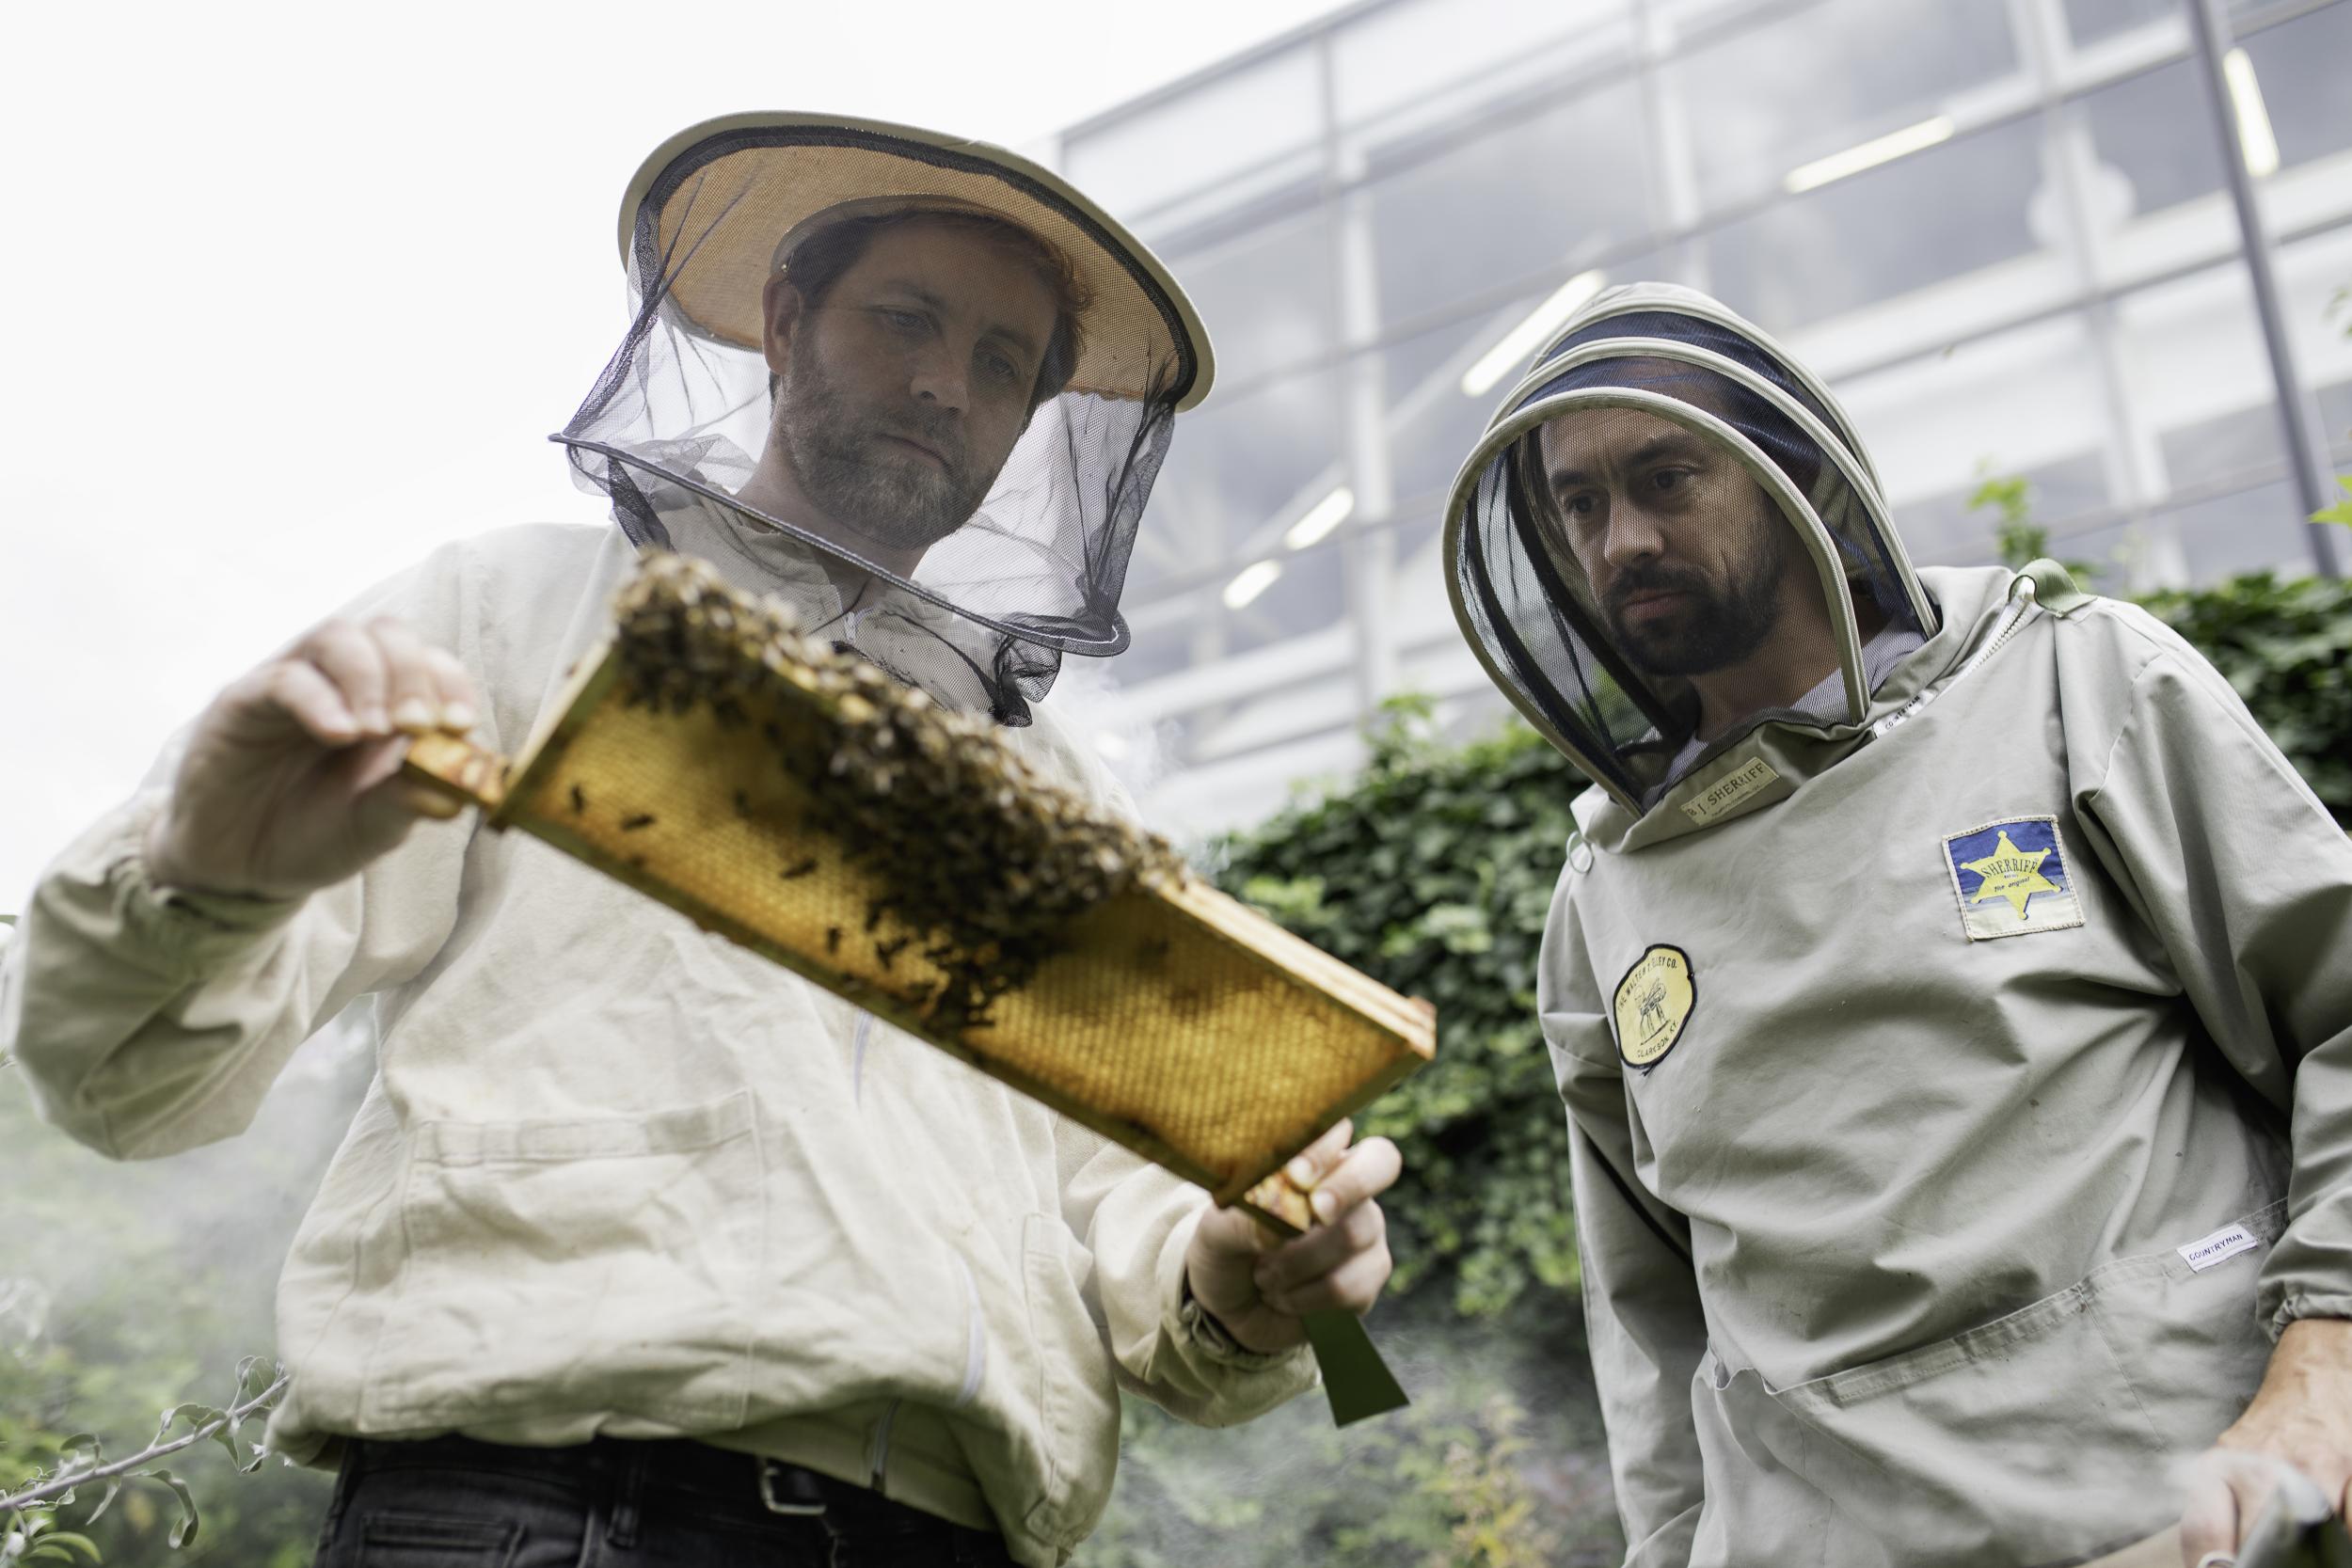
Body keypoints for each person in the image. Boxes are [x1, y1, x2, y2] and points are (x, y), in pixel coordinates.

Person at [0, 112, 1402, 1568]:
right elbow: (121, 1077)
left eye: (1002, 364)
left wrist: (1232, 1275)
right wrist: (206, 872)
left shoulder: (1065, 802)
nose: (944, 385)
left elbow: (1137, 1230)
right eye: (905, 319)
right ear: (787, 323)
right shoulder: (510, 615)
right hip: (538, 1508)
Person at [1440, 281, 2350, 1567]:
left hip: (2177, 1517)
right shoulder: (1602, 900)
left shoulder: (2071, 681)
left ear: (1794, 474)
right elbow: (1650, 1328)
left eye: (1665, 478)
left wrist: (2324, 1370)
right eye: (1580, 506)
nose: (1620, 539)